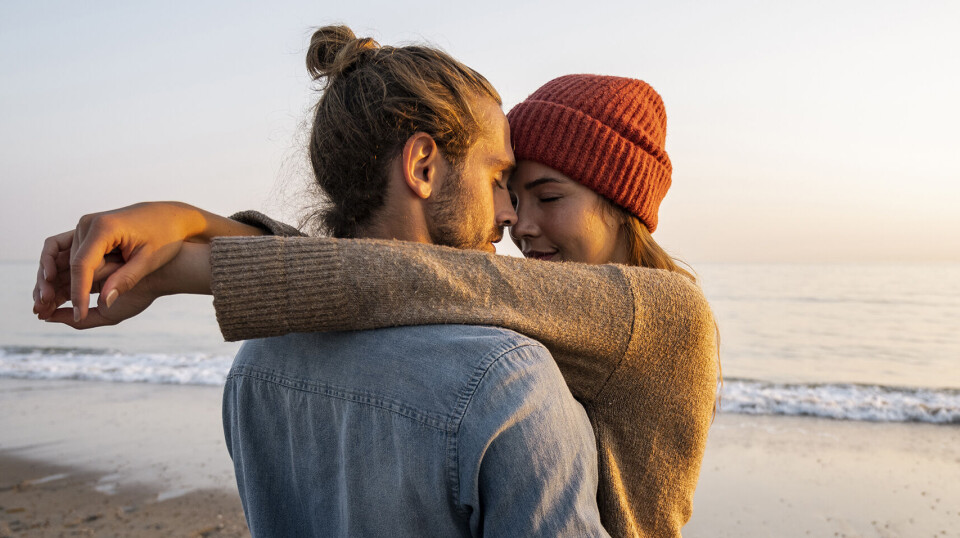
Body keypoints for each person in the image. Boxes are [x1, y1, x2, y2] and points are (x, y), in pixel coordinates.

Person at [34, 42, 718, 538]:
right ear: (423, 163)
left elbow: (410, 276)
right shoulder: (508, 367)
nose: (516, 223)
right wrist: (186, 233)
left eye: (546, 195)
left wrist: (188, 254)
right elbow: (404, 279)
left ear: (621, 203)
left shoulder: (663, 314)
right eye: (507, 188)